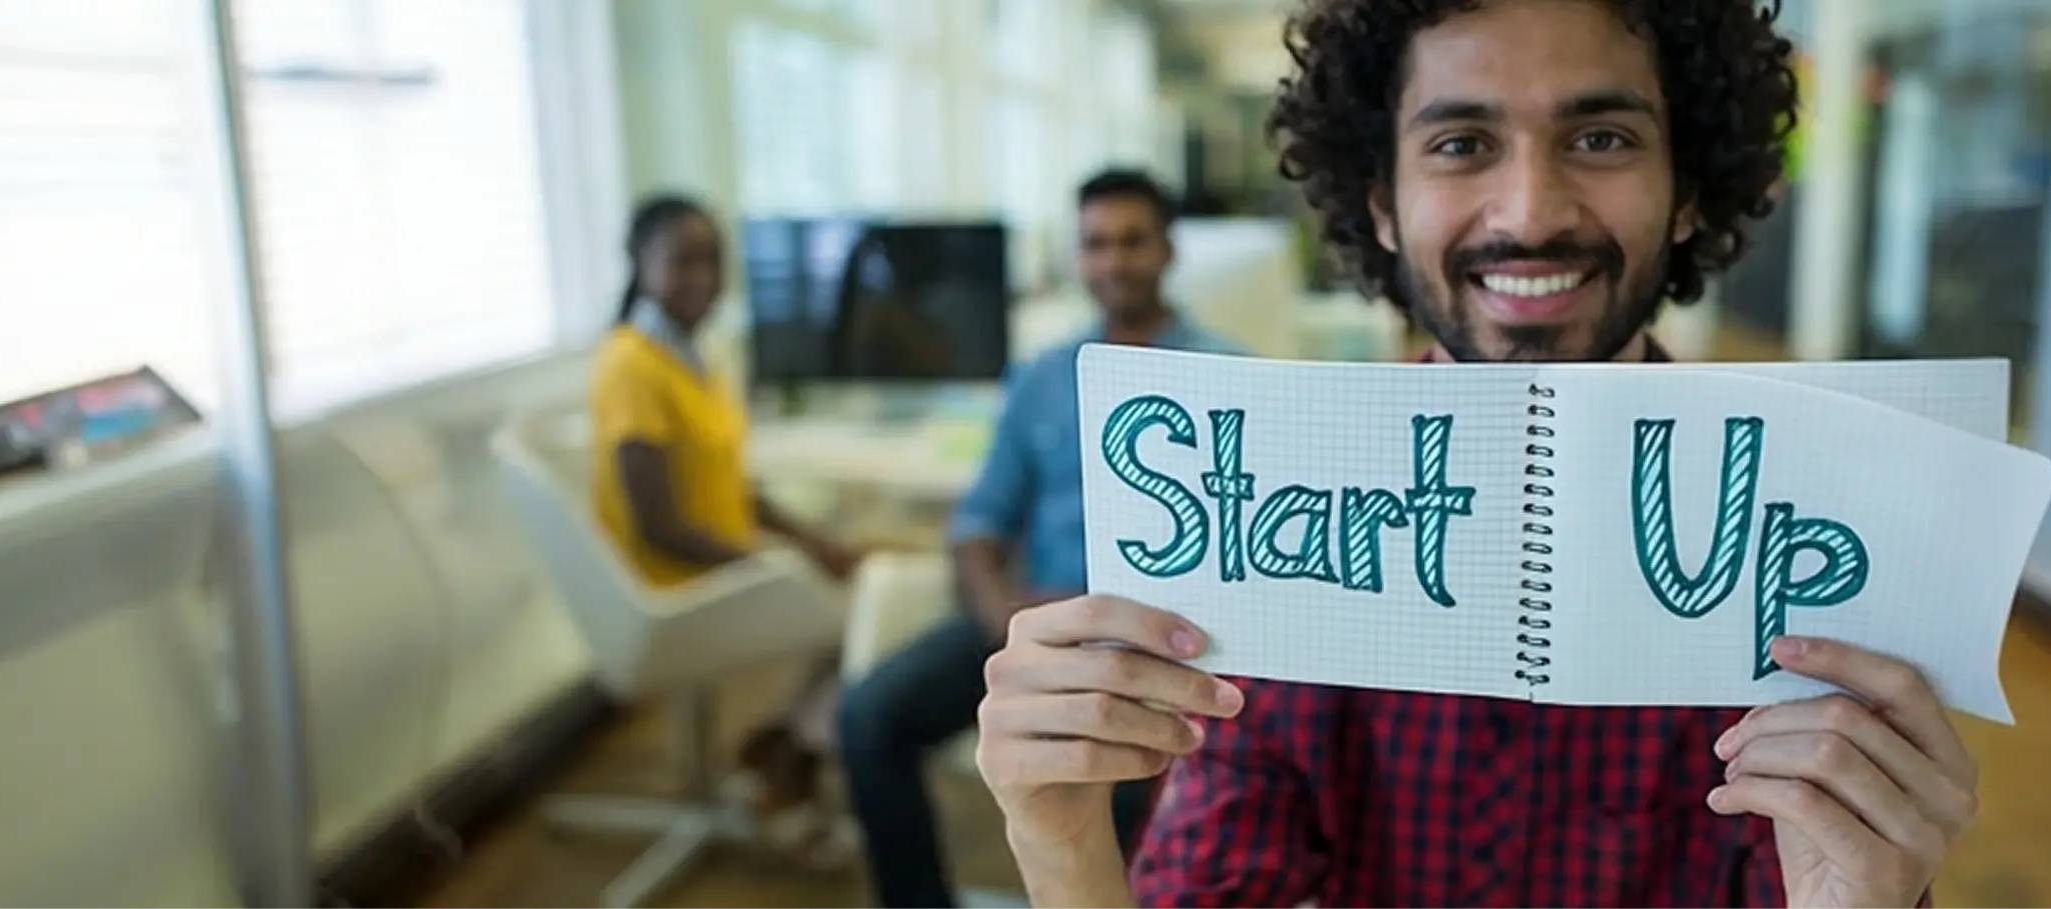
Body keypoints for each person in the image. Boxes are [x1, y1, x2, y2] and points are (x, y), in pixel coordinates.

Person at [971, 2, 1980, 908]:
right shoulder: (1287, 515)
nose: (1531, 212)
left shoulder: (1811, 539)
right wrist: (1059, 846)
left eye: (1600, 136)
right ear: (1381, 204)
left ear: (1685, 191)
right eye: (1460, 142)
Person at [838, 170, 1245, 909]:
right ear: (1077, 257)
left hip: (1157, 641)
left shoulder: (1231, 373)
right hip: (1031, 622)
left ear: (1168, 250)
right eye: (1096, 244)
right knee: (866, 719)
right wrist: (1000, 616)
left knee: (1125, 777)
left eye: (1132, 241)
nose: (1114, 261)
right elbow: (978, 522)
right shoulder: (1042, 377)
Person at [588, 193, 865, 861]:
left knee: (855, 575)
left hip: (718, 561)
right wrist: (767, 563)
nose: (702, 278)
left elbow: (730, 486)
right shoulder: (632, 363)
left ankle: (781, 749)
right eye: (682, 261)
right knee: (863, 614)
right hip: (672, 583)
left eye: (712, 259)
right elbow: (658, 525)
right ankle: (788, 758)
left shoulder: (694, 354)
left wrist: (804, 537)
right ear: (638, 263)